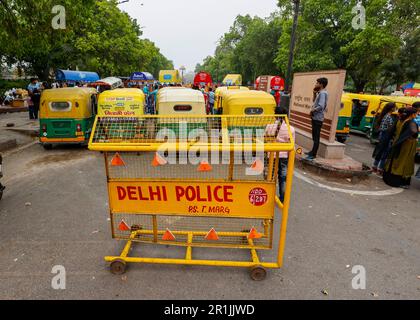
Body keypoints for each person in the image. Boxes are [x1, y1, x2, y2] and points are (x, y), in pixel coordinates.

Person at [265, 106, 296, 202]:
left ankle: (268, 195)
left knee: (270, 176)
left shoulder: (269, 127)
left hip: (272, 155)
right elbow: (292, 145)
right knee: (283, 178)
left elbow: (266, 139)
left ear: (275, 115)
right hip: (284, 157)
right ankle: (282, 198)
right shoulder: (291, 129)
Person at [383, 108, 419, 188]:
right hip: (406, 145)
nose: (417, 115)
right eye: (416, 113)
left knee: (395, 160)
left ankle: (389, 178)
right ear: (412, 114)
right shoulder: (411, 122)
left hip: (399, 142)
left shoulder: (402, 120)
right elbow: (414, 132)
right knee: (403, 162)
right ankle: (400, 182)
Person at [305, 77, 329, 160]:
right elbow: (314, 101)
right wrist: (314, 93)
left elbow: (321, 106)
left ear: (321, 84)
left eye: (317, 83)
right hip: (316, 117)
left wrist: (312, 110)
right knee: (314, 136)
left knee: (316, 137)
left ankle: (313, 154)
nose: (316, 84)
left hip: (318, 118)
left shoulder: (323, 93)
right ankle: (312, 152)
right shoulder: (320, 93)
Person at [371, 102, 396, 175]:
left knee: (381, 150)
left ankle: (375, 166)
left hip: (383, 135)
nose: (395, 109)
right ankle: (380, 168)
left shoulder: (385, 115)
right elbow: (388, 127)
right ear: (392, 108)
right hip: (385, 135)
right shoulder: (388, 116)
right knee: (385, 152)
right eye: (395, 107)